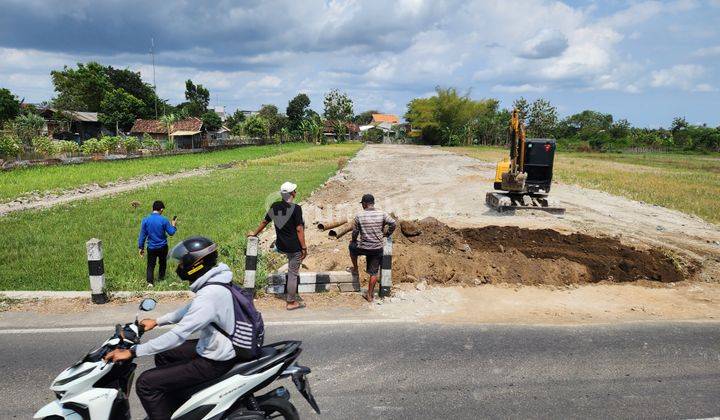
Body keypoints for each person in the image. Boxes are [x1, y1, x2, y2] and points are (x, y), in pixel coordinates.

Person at [104, 236, 256, 420]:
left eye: (183, 263)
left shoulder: (210, 294)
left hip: (216, 359)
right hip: (221, 345)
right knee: (164, 355)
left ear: (197, 264)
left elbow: (178, 335)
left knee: (146, 383)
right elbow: (191, 309)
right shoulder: (217, 281)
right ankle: (184, 403)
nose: (179, 267)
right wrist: (158, 321)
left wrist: (134, 351)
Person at [249, 181, 307, 310]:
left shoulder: (275, 206)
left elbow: (265, 221)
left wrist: (254, 234)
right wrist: (304, 247)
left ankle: (290, 297)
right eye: (295, 191)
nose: (296, 192)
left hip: (281, 245)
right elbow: (299, 229)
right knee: (293, 273)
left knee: (291, 268)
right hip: (294, 247)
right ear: (292, 193)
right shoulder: (296, 208)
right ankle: (291, 302)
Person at [350, 194, 396, 302]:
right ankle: (370, 295)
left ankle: (355, 267)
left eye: (362, 204)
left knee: (351, 247)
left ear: (365, 204)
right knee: (374, 273)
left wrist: (353, 240)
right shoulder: (382, 213)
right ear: (373, 203)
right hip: (377, 248)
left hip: (364, 247)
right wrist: (387, 233)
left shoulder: (359, 216)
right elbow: (393, 223)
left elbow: (355, 232)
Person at [138, 200, 177, 286]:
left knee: (150, 265)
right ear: (161, 209)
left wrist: (141, 247)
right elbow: (171, 232)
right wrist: (173, 225)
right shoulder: (164, 220)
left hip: (151, 247)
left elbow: (142, 235)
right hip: (163, 247)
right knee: (162, 263)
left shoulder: (146, 220)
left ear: (153, 208)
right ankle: (161, 279)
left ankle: (150, 283)